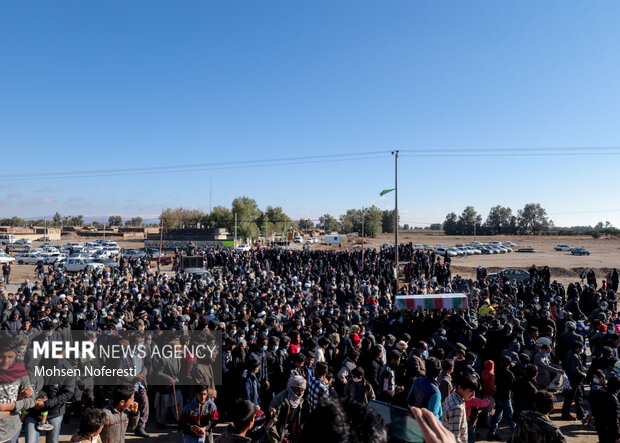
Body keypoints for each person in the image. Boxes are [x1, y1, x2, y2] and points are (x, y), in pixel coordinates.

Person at [0, 336, 35, 443]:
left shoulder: (20, 373)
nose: (6, 361)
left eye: (10, 357)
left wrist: (9, 406)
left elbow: (31, 400)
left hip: (12, 432)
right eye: (2, 356)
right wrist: (11, 410)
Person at [266, 375, 307, 443]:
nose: (300, 393)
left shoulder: (300, 400)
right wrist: (275, 440)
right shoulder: (280, 400)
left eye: (302, 390)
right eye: (297, 390)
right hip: (278, 434)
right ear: (291, 388)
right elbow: (272, 424)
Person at [442, 372, 478, 443]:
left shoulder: (451, 396)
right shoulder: (457, 408)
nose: (473, 394)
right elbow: (455, 437)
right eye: (471, 391)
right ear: (460, 387)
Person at [488, 356, 516, 440]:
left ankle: (491, 432)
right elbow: (513, 386)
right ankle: (516, 435)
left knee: (497, 415)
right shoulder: (509, 374)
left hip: (498, 396)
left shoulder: (497, 371)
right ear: (510, 364)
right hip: (506, 397)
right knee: (511, 417)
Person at [589, 375, 620, 443]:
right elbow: (615, 420)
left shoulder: (598, 393)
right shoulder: (614, 400)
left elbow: (593, 407)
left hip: (599, 424)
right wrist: (617, 436)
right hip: (609, 429)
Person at [561, 341, 586, 420]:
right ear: (577, 348)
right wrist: (583, 374)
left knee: (578, 396)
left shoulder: (570, 353)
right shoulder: (574, 356)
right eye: (581, 348)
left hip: (573, 380)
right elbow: (574, 369)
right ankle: (565, 414)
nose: (582, 350)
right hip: (574, 380)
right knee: (570, 398)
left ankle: (580, 414)